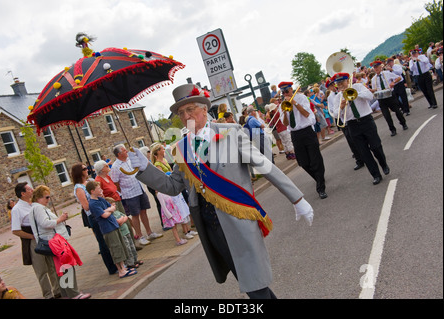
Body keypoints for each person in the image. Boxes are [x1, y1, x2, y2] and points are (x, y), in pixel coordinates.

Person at [128, 83, 315, 299]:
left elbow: (264, 165)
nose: (186, 116)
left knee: (255, 284)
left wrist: (297, 198)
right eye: (181, 113)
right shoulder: (181, 147)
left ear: (205, 110)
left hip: (239, 217)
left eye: (190, 110)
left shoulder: (231, 132)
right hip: (211, 226)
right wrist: (145, 169)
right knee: (250, 283)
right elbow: (173, 186)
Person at [29, 185, 91, 299]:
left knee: (61, 268)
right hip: (53, 243)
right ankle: (74, 294)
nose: (48, 200)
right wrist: (60, 219)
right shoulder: (38, 208)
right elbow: (45, 223)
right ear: (38, 197)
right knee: (67, 265)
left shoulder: (36, 208)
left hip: (51, 242)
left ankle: (67, 294)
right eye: (46, 197)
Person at [332, 72, 390, 185]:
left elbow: (370, 96)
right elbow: (335, 114)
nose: (341, 86)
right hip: (352, 125)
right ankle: (376, 175)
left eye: (342, 82)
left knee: (376, 146)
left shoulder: (358, 87)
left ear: (347, 81)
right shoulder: (338, 97)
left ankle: (383, 164)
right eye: (338, 84)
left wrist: (355, 94)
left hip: (366, 120)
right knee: (364, 152)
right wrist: (342, 106)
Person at [10, 182, 60, 299]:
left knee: (52, 266)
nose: (32, 190)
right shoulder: (17, 209)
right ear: (23, 193)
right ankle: (48, 295)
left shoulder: (35, 203)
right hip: (33, 240)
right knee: (41, 269)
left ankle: (57, 290)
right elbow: (15, 230)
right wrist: (32, 236)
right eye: (29, 189)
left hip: (45, 237)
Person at [280, 82, 328, 199]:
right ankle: (319, 178)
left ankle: (320, 188)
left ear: (291, 89)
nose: (285, 94)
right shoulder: (283, 104)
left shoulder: (302, 98)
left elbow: (306, 114)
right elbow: (285, 123)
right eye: (283, 92)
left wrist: (295, 103)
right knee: (303, 162)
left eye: (287, 91)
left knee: (315, 159)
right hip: (295, 134)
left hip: (307, 131)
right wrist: (286, 111)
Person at [111, 144, 163, 246]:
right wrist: (123, 191)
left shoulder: (130, 160)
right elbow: (115, 182)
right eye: (124, 151)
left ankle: (149, 232)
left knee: (144, 211)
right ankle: (140, 236)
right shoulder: (115, 167)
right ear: (119, 154)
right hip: (129, 193)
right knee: (135, 214)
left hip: (139, 188)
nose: (127, 152)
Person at [71, 162, 117, 275]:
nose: (88, 170)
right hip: (95, 216)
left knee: (110, 239)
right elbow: (86, 206)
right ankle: (112, 268)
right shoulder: (79, 188)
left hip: (103, 212)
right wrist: (96, 202)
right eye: (85, 168)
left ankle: (118, 263)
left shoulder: (89, 182)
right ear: (79, 172)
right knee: (103, 242)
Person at [87, 181, 137, 279]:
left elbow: (112, 207)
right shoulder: (92, 204)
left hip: (114, 226)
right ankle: (121, 271)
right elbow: (104, 215)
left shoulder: (101, 199)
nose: (101, 190)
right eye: (98, 189)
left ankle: (124, 267)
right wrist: (108, 210)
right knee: (115, 249)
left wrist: (108, 210)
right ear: (92, 191)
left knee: (120, 247)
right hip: (107, 229)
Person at [151, 143, 198, 238]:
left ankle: (188, 230)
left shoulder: (164, 160)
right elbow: (162, 177)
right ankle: (185, 232)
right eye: (162, 149)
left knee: (184, 206)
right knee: (179, 209)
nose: (164, 150)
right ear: (158, 151)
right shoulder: (157, 164)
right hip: (170, 189)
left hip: (176, 184)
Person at [370, 60, 408, 136]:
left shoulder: (387, 73)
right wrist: (371, 90)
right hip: (381, 98)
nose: (376, 69)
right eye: (374, 67)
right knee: (386, 115)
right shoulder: (373, 79)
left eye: (377, 67)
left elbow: (399, 78)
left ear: (380, 67)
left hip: (390, 95)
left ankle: (403, 123)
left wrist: (393, 82)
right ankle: (392, 129)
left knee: (397, 111)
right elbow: (375, 89)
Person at [104, 197, 143, 269]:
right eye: (113, 205)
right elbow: (118, 222)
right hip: (122, 234)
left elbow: (125, 217)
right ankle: (130, 263)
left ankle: (135, 260)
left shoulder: (117, 212)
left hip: (127, 232)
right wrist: (122, 220)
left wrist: (122, 219)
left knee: (132, 247)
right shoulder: (111, 215)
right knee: (127, 248)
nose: (115, 206)